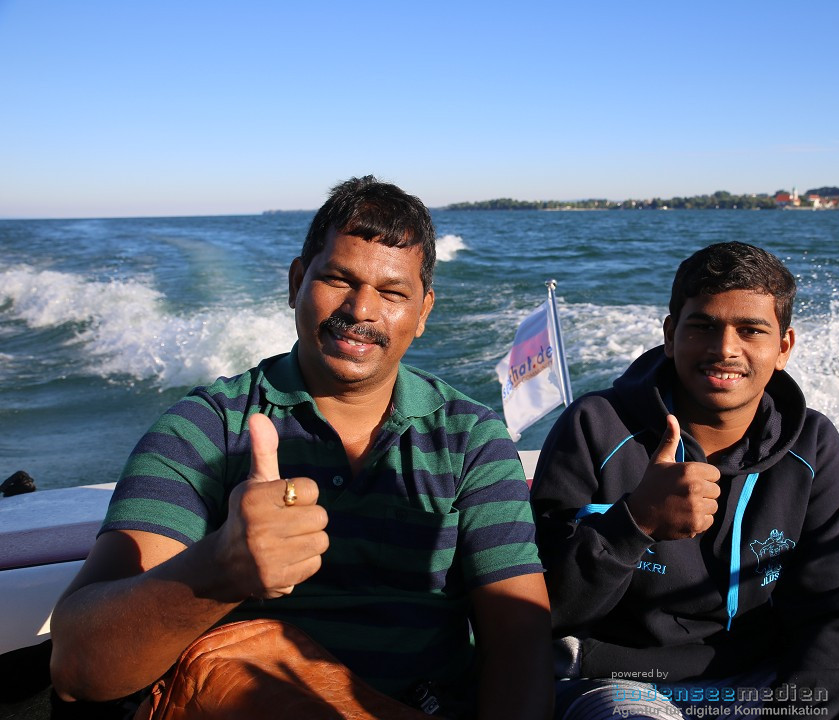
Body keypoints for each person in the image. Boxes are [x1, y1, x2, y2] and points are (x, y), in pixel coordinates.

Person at [49, 176, 553, 719]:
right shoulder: (204, 429)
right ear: (296, 282)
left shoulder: (473, 443)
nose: (362, 309)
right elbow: (77, 667)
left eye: (392, 292)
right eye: (338, 278)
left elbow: (519, 649)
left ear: (424, 311)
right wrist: (217, 569)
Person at [530, 242, 839, 719]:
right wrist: (636, 523)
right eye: (703, 327)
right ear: (670, 336)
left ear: (784, 348)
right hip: (616, 680)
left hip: (762, 679)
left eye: (751, 330)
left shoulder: (812, 444)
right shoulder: (596, 427)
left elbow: (836, 609)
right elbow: (542, 608)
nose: (724, 349)